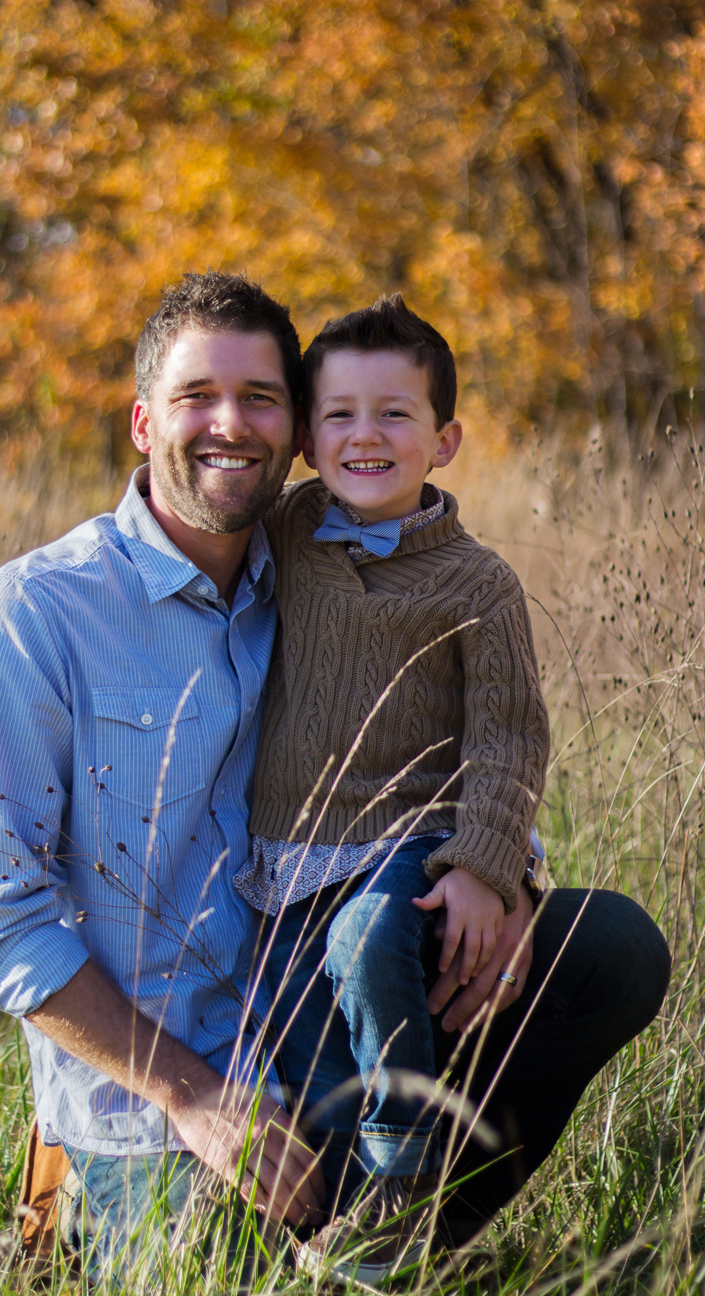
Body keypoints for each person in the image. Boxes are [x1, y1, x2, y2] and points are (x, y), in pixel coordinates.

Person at [234, 295, 671, 1283]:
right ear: (305, 440)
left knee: (367, 940)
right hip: (287, 865)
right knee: (312, 1052)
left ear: (445, 440)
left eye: (395, 414)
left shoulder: (478, 584)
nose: (365, 435)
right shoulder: (287, 531)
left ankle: (405, 1168)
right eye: (339, 414)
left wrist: (484, 866)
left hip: (410, 844)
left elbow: (509, 739)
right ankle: (362, 1242)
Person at [0, 271, 327, 1280]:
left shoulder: (324, 592)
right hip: (147, 1111)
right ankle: (70, 1204)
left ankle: (409, 1229)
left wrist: (505, 870)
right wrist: (194, 1095)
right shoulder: (32, 617)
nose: (230, 423)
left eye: (260, 397)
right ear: (143, 422)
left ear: (296, 430)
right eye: (198, 395)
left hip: (319, 1048)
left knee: (602, 954)